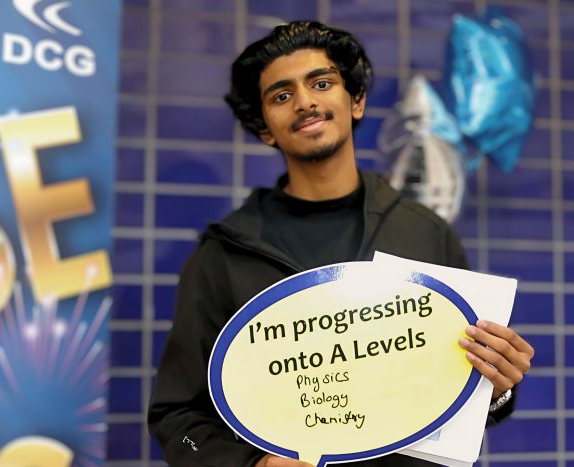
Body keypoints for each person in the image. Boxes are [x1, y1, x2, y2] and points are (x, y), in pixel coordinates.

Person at [148, 21, 534, 467]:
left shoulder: (426, 232)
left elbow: (465, 392)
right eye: (281, 94)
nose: (306, 101)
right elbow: (178, 417)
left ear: (356, 101)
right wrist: (252, 464)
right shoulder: (223, 254)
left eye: (322, 82)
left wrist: (498, 391)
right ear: (265, 129)